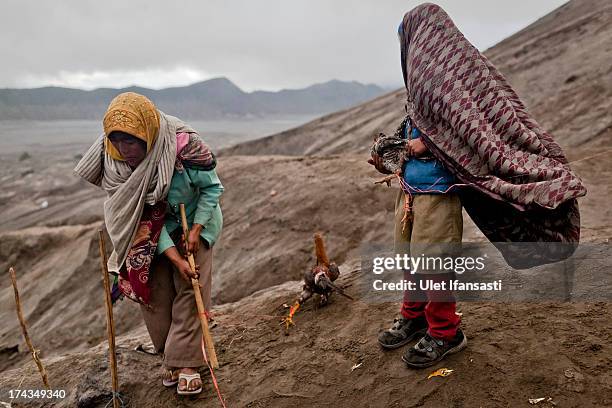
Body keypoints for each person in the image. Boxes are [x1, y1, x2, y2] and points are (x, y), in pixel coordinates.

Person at [369, 3, 586, 368]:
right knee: (408, 255)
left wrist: (412, 147)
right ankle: (413, 315)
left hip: (439, 192)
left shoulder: (453, 75)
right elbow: (420, 122)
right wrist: (391, 148)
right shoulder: (424, 78)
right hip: (411, 189)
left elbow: (459, 129)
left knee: (434, 261)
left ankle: (445, 332)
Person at [75, 92, 223, 395]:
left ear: (147, 134)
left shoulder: (185, 147)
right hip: (146, 229)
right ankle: (171, 355)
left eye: (130, 141)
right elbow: (139, 215)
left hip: (195, 218)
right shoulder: (115, 161)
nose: (123, 149)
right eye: (116, 141)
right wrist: (173, 257)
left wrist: (195, 231)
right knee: (153, 290)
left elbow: (212, 189)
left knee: (190, 288)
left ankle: (187, 364)